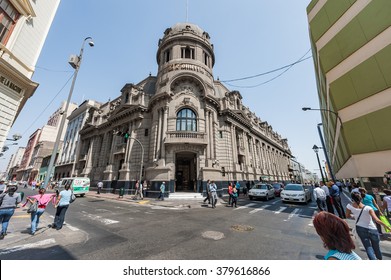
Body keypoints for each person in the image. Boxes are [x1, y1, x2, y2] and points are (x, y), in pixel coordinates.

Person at [346, 192, 391, 260]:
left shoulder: (349, 206)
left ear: (352, 198)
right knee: (377, 248)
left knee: (368, 247)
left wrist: (354, 216)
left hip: (360, 228)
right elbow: (376, 220)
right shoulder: (368, 208)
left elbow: (347, 216)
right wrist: (387, 226)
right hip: (372, 229)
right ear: (361, 198)